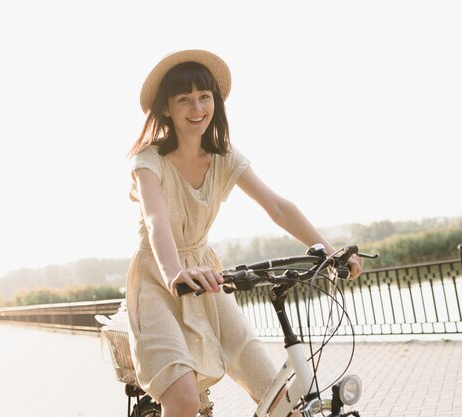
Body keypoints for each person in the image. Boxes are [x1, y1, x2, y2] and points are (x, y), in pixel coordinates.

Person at [125, 49, 363, 417]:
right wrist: (175, 274)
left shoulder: (224, 156)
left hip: (206, 275)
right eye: (184, 99)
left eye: (204, 97)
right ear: (167, 108)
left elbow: (278, 207)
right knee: (184, 399)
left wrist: (330, 252)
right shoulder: (149, 160)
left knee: (278, 393)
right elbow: (156, 220)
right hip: (159, 279)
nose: (197, 107)